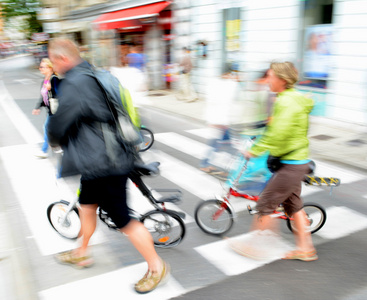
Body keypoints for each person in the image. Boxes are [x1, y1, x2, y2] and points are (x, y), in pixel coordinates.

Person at [47, 38, 169, 294]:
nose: (52, 65)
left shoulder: (75, 83)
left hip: (105, 162)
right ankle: (81, 252)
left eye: (53, 60)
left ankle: (157, 267)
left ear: (63, 59)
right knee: (87, 205)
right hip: (101, 158)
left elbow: (58, 125)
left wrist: (53, 138)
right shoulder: (96, 74)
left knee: (123, 219)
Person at [230, 61, 317, 261]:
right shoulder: (291, 98)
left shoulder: (285, 102)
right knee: (294, 206)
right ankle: (306, 249)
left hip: (291, 164)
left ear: (282, 80)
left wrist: (254, 150)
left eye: (271, 76)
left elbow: (277, 133)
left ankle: (254, 246)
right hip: (295, 161)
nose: (268, 80)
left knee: (266, 204)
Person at [199, 71, 239, 176]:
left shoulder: (217, 85)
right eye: (230, 75)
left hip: (220, 122)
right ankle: (224, 169)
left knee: (216, 145)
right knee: (224, 146)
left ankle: (207, 164)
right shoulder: (223, 86)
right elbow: (224, 104)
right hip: (219, 122)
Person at [32, 58, 61, 158]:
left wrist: (51, 88)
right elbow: (43, 97)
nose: (40, 68)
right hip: (50, 110)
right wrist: (37, 107)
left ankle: (44, 151)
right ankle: (58, 145)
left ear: (50, 68)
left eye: (42, 67)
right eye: (40, 67)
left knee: (47, 128)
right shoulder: (44, 81)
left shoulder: (54, 79)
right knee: (50, 129)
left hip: (56, 111)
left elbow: (59, 94)